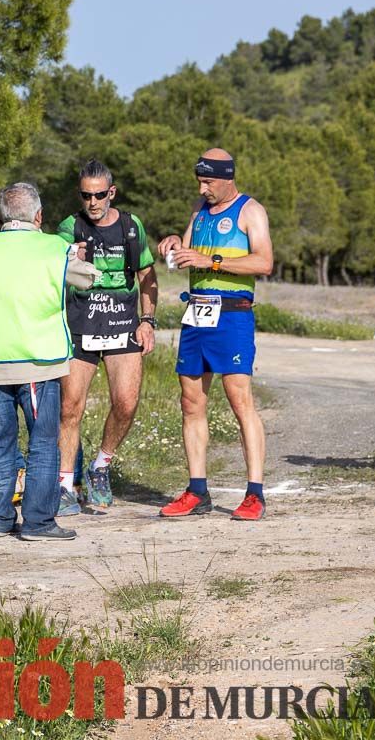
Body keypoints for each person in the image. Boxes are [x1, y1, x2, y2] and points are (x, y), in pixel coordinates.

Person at [0, 183, 96, 541]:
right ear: (38, 216)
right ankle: (38, 522)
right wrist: (79, 258)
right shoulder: (54, 247)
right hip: (39, 363)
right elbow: (85, 280)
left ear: (2, 216)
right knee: (41, 444)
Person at [156, 149, 274, 521]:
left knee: (240, 401)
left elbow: (265, 261)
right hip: (197, 313)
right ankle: (197, 490)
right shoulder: (199, 209)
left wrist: (215, 262)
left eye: (208, 182)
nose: (203, 188)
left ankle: (254, 494)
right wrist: (175, 243)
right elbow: (187, 252)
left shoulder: (249, 211)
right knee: (190, 402)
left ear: (227, 178)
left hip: (233, 315)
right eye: (200, 182)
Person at [56, 160, 159, 515]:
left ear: (111, 193)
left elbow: (147, 274)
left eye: (100, 195)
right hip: (82, 327)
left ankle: (100, 465)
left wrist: (148, 320)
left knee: (126, 402)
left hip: (123, 325)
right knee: (70, 408)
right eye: (86, 195)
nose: (93, 202)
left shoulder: (132, 227)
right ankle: (65, 485)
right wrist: (69, 261)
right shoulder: (69, 227)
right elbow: (54, 275)